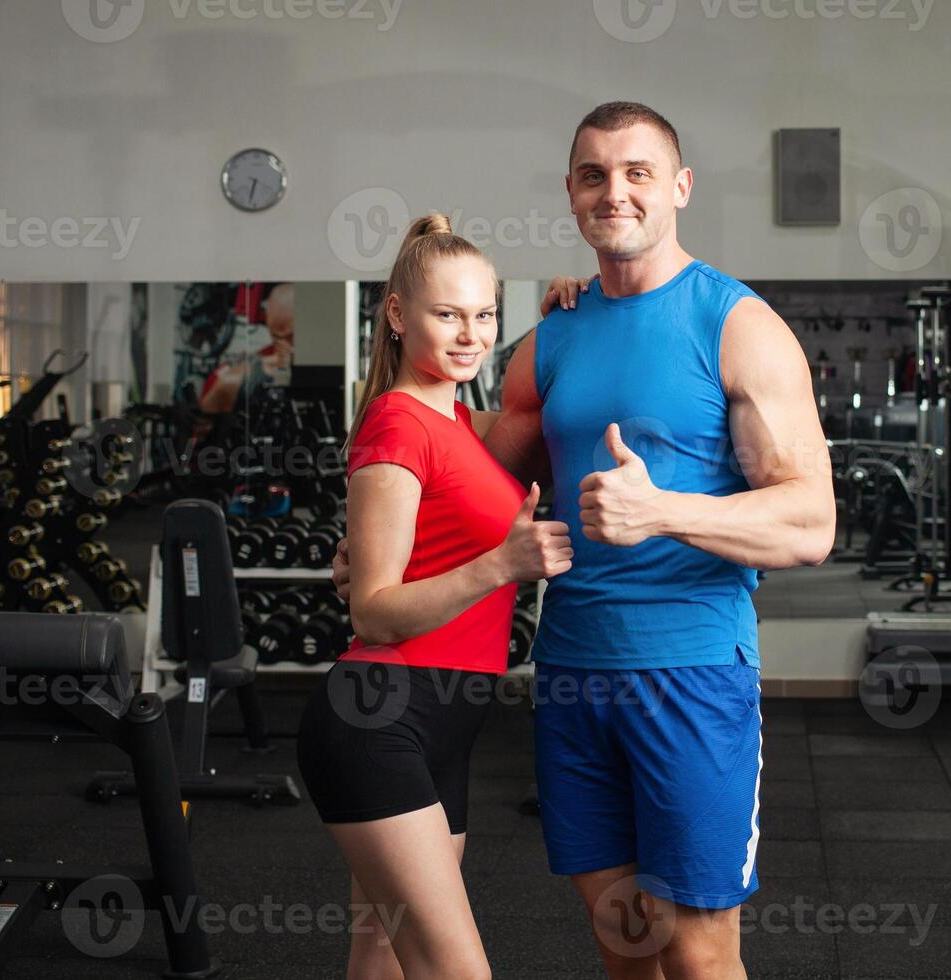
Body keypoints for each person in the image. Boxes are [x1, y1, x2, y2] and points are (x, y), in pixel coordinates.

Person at [335, 102, 836, 979]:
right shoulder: (555, 337)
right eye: (595, 174)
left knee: (701, 949)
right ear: (571, 192)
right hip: (571, 676)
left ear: (678, 187)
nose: (617, 191)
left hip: (691, 675)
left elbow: (811, 523)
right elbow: (457, 465)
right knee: (622, 934)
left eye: (639, 172)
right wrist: (375, 540)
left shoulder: (737, 325)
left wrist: (665, 511)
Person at [297, 214, 573, 980]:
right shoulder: (396, 423)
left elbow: (529, 417)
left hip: (445, 722)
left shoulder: (452, 417)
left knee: (381, 950)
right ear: (395, 313)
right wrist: (501, 565)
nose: (469, 335)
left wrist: (568, 319)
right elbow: (373, 609)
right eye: (446, 314)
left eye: (484, 315)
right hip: (380, 717)